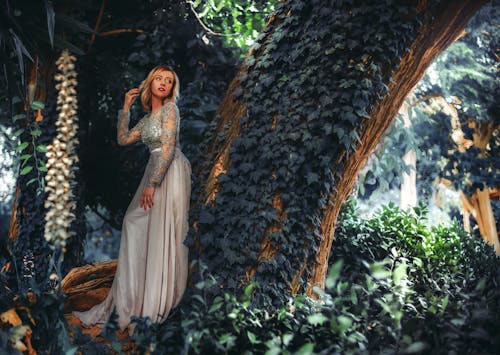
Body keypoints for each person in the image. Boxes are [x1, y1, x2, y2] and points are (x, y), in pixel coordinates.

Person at [72, 65, 191, 336]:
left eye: (169, 81)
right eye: (159, 79)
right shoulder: (149, 117)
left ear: (173, 88)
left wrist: (152, 184)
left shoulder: (172, 110)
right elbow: (123, 139)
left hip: (169, 170)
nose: (163, 84)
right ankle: (135, 297)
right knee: (136, 224)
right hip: (155, 168)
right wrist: (125, 106)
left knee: (157, 230)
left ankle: (155, 300)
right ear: (150, 84)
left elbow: (169, 149)